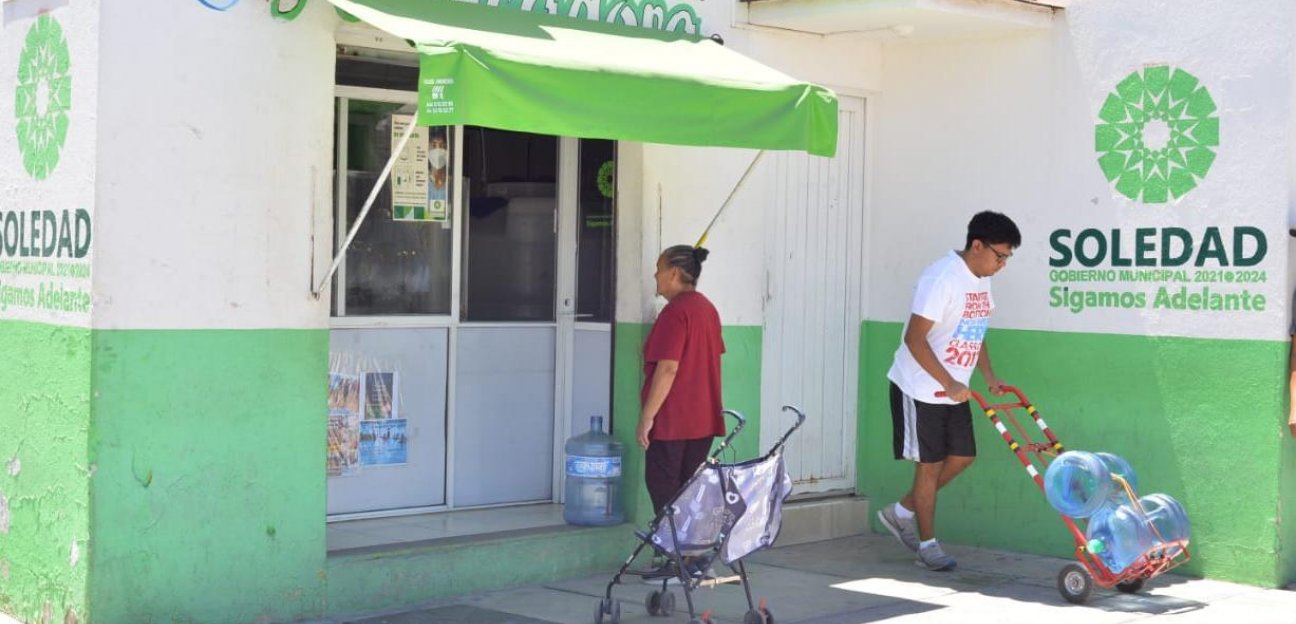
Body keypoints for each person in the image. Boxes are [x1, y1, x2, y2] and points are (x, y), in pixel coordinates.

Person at [877, 211, 1021, 571]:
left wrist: (987, 376)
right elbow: (914, 338)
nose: (1002, 264)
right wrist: (948, 382)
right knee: (929, 468)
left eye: (1007, 258)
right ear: (977, 245)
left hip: (955, 389)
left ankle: (901, 511)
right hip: (921, 388)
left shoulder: (981, 278)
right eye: (999, 255)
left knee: (962, 457)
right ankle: (928, 546)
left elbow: (975, 328)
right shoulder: (941, 278)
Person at [638, 244, 726, 579]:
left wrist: (647, 417)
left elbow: (668, 368)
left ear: (675, 272)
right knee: (689, 490)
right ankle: (695, 556)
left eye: (659, 269)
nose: (656, 277)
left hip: (674, 419)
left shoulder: (676, 313)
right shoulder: (707, 309)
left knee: (664, 486)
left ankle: (679, 557)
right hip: (702, 419)